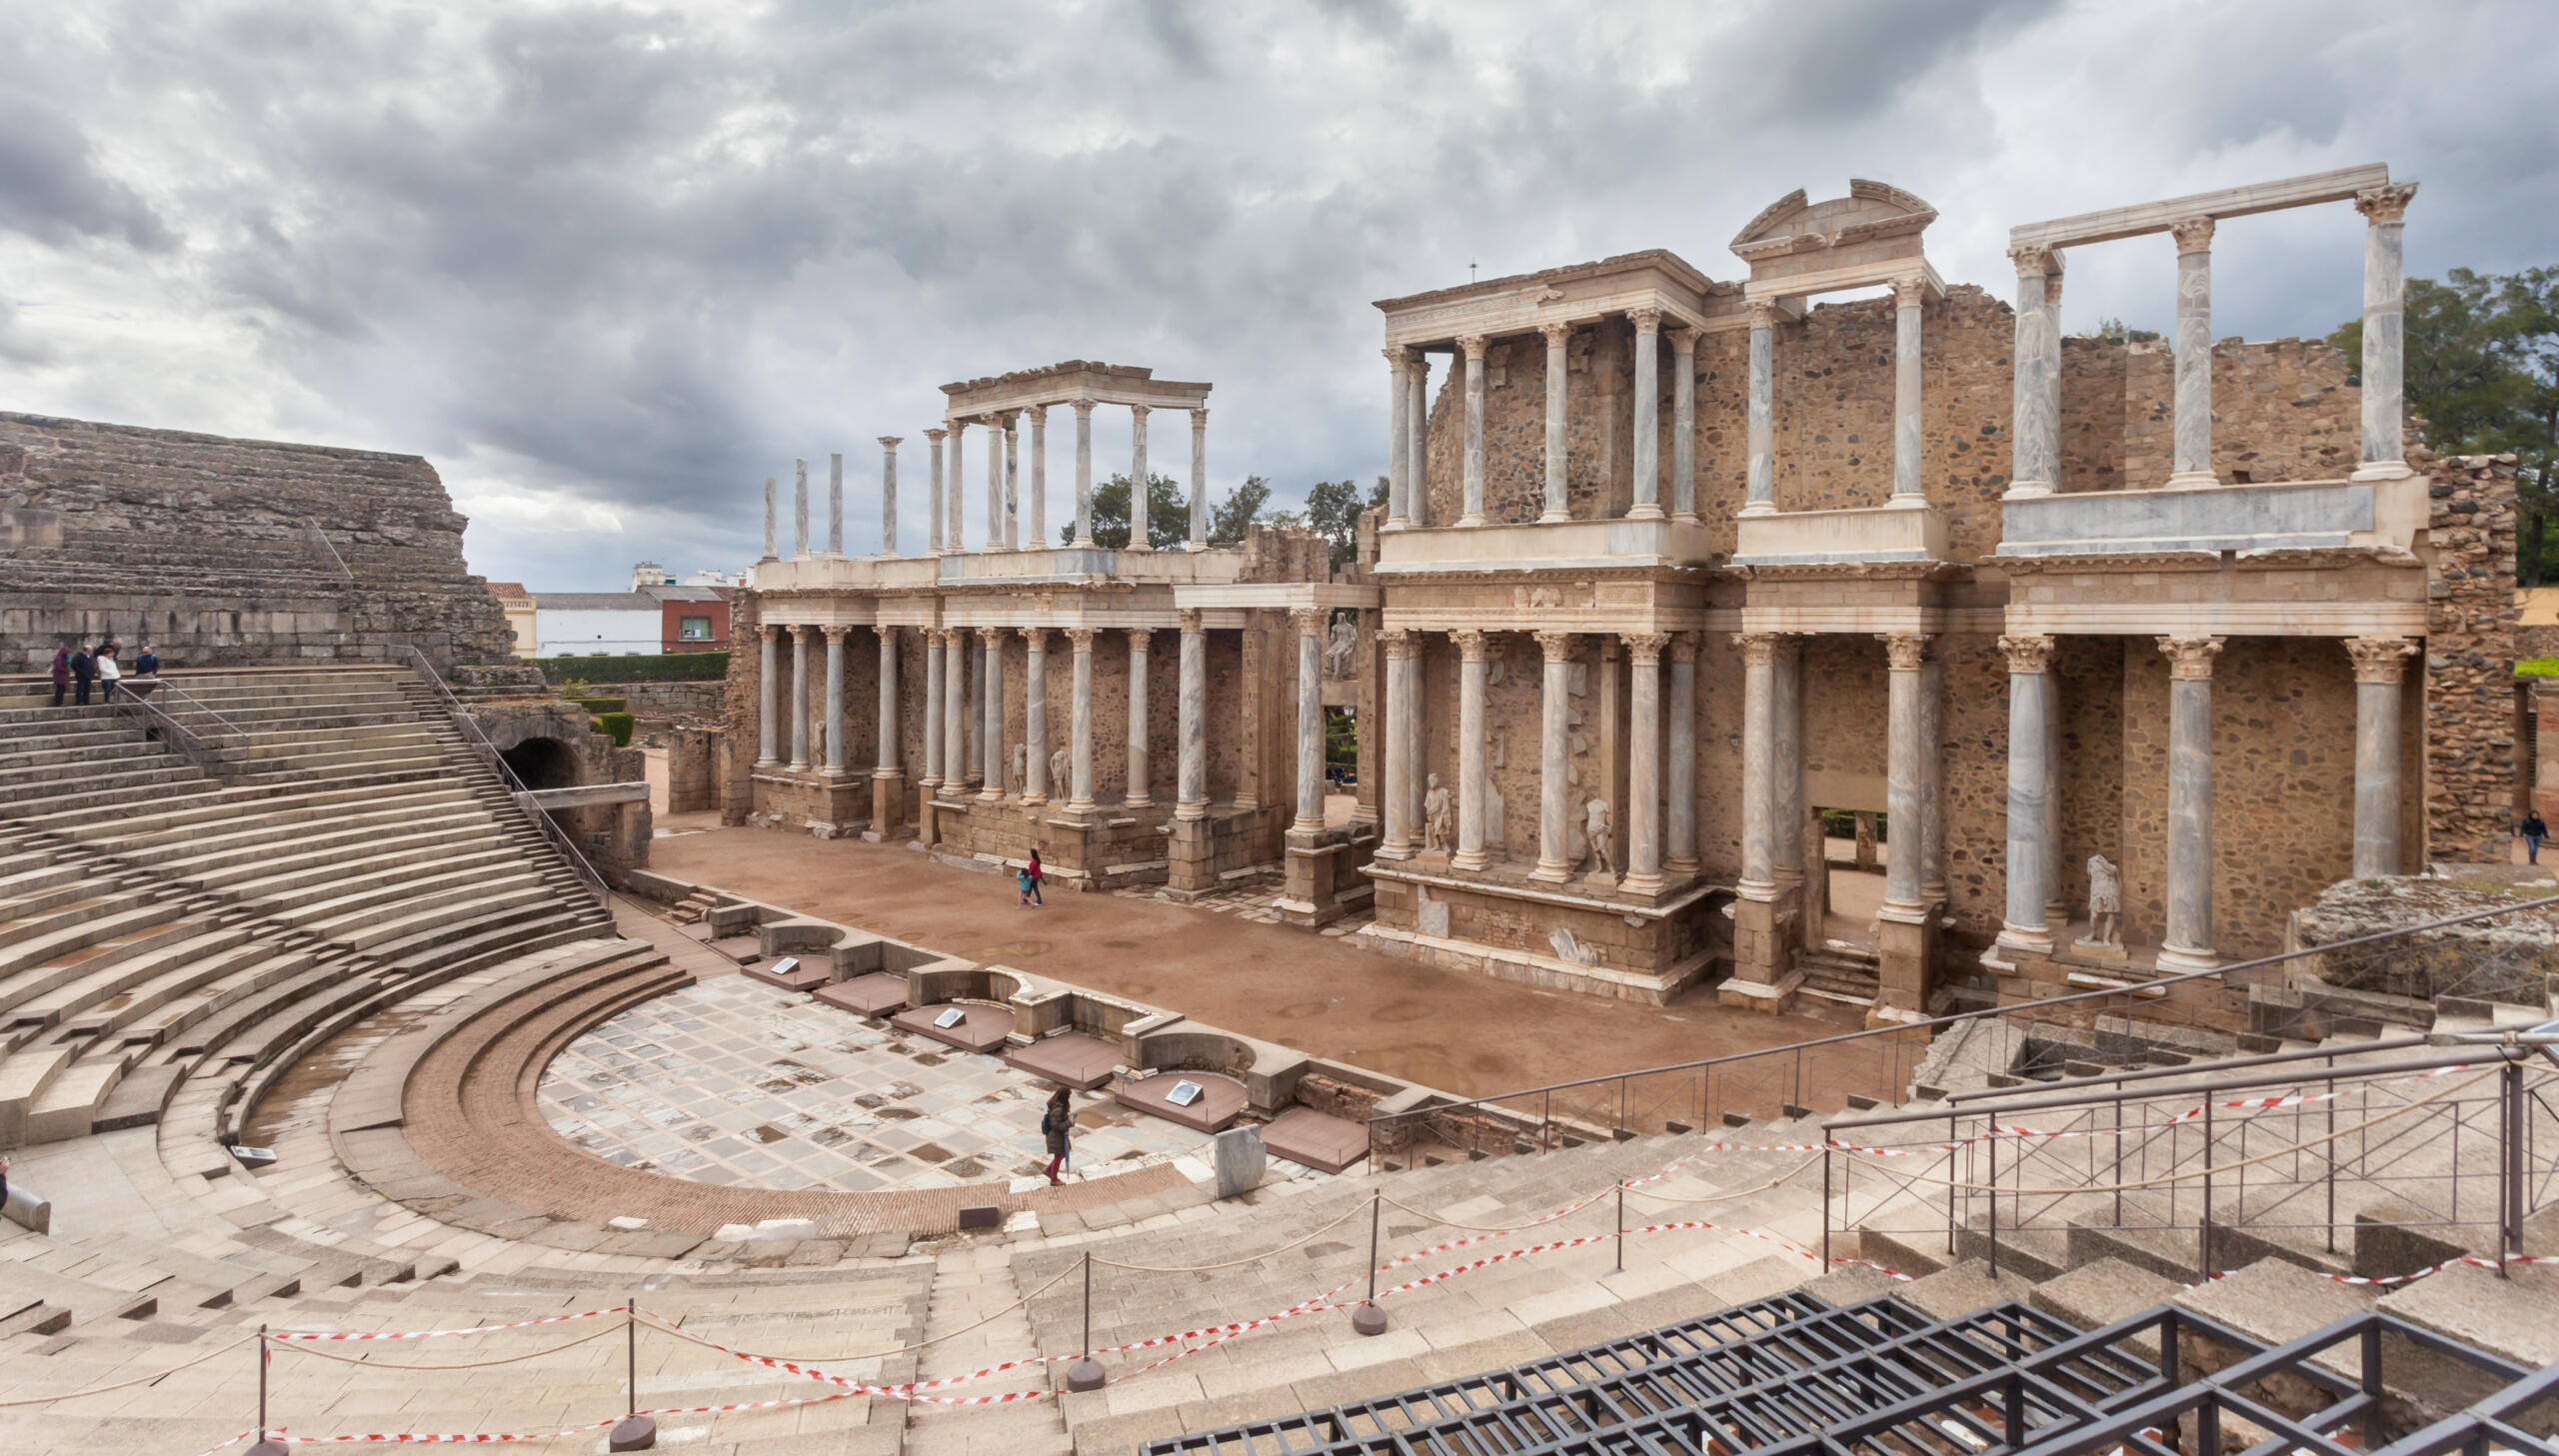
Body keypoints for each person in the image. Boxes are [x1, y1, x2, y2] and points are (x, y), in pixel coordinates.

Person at [1040, 1088, 1073, 1185]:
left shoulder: (1058, 1106)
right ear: (1064, 1097)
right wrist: (1069, 1122)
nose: (1069, 1098)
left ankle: (1049, 1170)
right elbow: (1056, 1126)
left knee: (1061, 1155)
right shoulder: (1058, 1109)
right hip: (1056, 1138)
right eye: (1068, 1096)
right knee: (1059, 1156)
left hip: (1058, 1137)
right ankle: (1053, 1179)